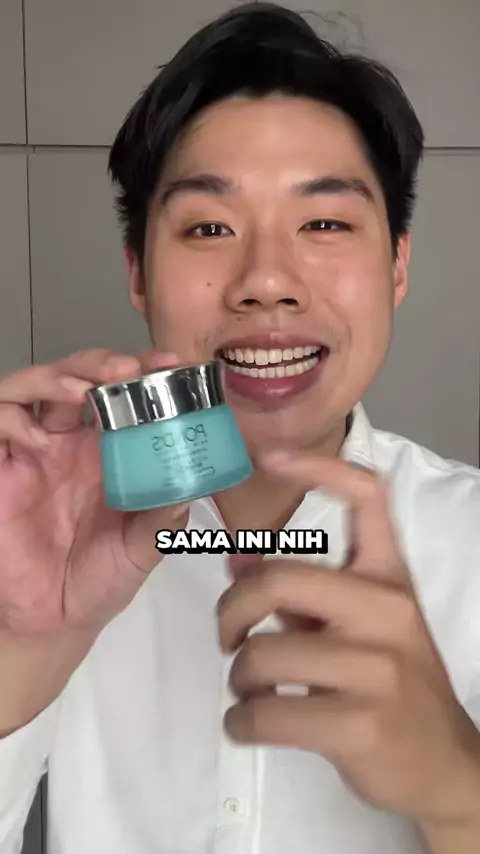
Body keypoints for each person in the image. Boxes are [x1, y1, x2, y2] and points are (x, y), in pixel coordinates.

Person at [1, 3, 480, 852]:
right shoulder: (38, 541)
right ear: (138, 272)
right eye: (209, 227)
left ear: (397, 263)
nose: (266, 280)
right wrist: (25, 652)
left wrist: (457, 788)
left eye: (324, 223)